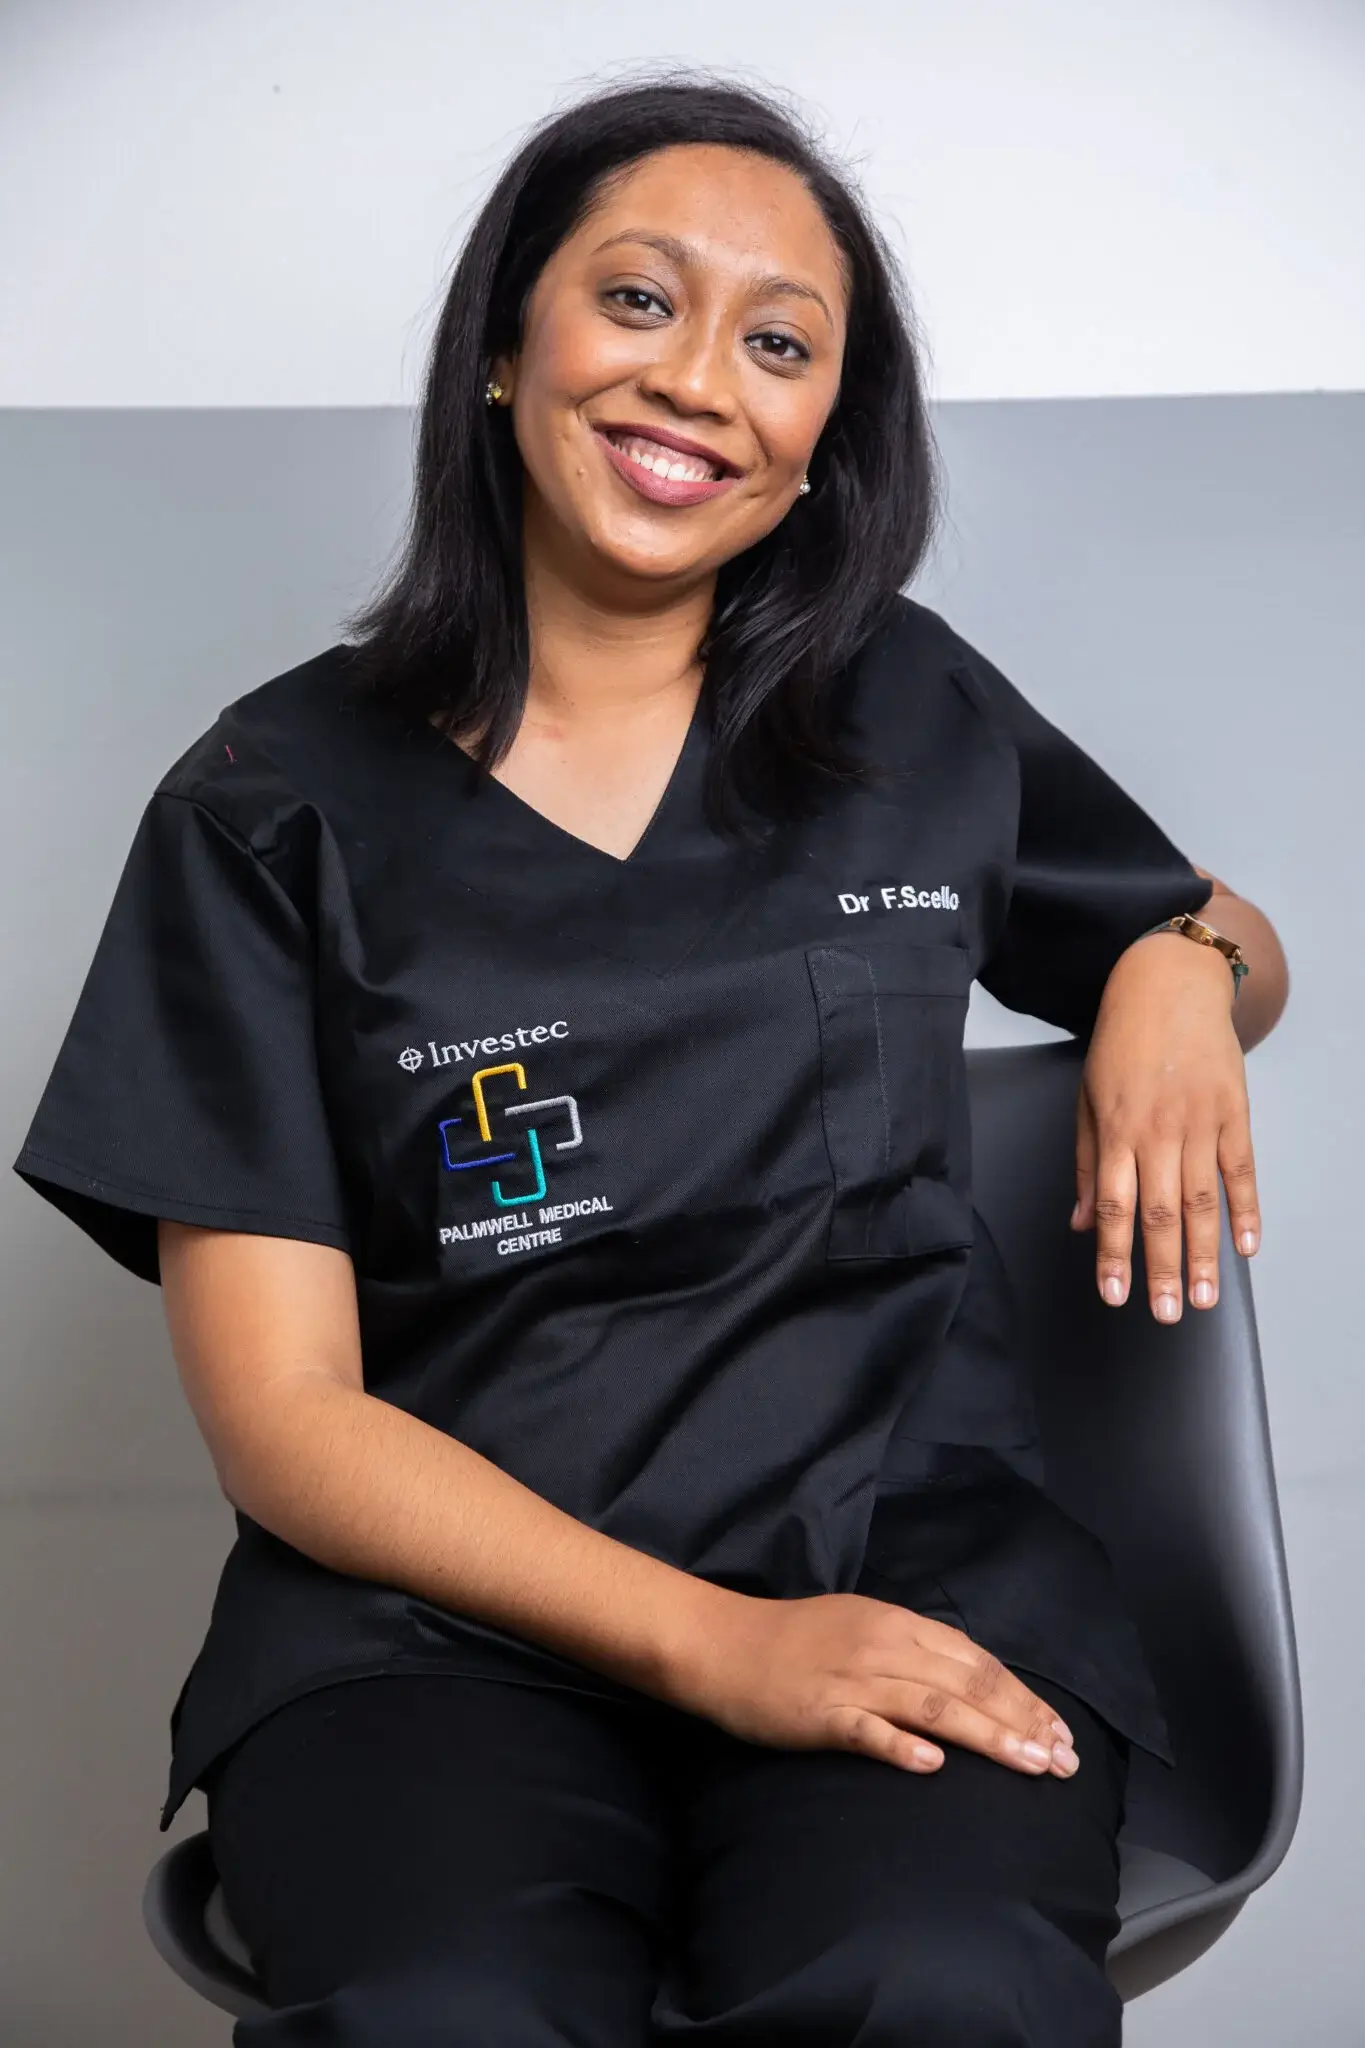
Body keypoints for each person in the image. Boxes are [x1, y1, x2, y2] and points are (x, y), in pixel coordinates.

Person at [13, 70, 1288, 2048]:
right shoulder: (268, 806)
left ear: (824, 439)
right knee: (449, 2008)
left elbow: (1215, 930)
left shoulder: (904, 708)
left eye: (779, 345)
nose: (699, 380)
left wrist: (1179, 972)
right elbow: (284, 1415)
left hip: (895, 1569)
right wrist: (715, 1646)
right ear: (505, 342)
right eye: (637, 300)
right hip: (431, 1638)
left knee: (932, 1981)